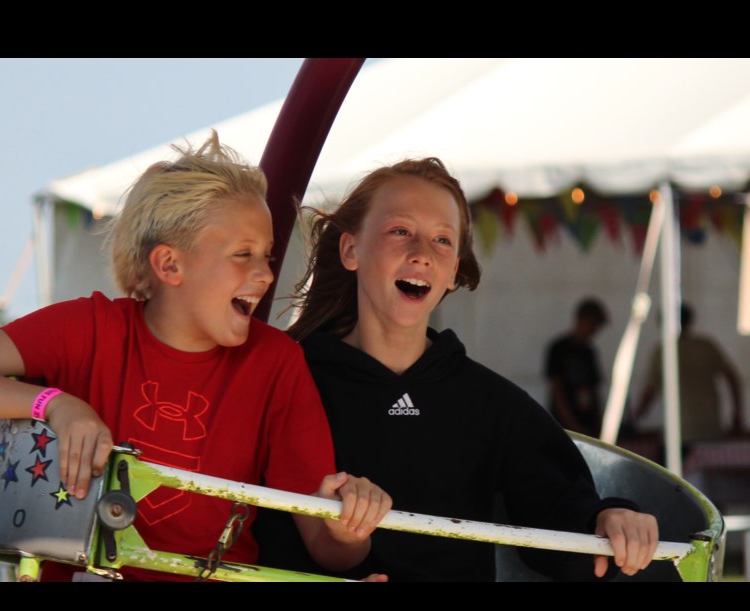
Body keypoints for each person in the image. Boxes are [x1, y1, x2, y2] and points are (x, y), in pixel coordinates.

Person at [0, 131, 391, 581]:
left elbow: (330, 552)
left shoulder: (276, 362)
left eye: (267, 256)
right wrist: (54, 404)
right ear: (170, 264)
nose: (264, 275)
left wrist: (351, 529)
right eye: (243, 254)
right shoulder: (87, 327)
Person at [256, 157, 658, 581]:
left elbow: (561, 513)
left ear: (453, 274)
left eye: (442, 241)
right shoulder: (289, 379)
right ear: (351, 250)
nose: (421, 254)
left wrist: (611, 519)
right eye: (400, 231)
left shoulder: (492, 404)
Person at [633, 302, 746, 447]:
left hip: (680, 431)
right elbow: (732, 379)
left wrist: (635, 418)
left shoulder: (663, 352)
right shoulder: (706, 346)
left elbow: (650, 392)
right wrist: (737, 414)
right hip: (710, 428)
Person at [544, 297, 609, 438]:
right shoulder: (559, 349)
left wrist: (598, 427)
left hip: (586, 426)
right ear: (581, 319)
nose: (593, 331)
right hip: (564, 427)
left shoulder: (589, 352)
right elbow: (557, 391)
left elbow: (594, 393)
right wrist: (574, 427)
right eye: (592, 325)